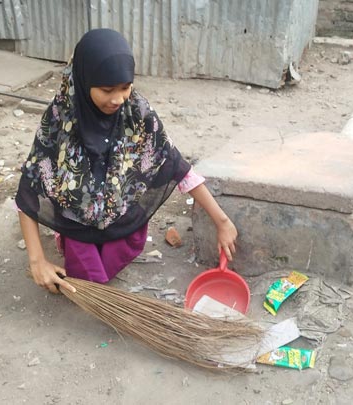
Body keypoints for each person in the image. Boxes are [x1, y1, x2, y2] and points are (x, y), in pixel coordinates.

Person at [16, 29, 237, 294]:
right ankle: (67, 239)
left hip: (121, 214)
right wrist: (37, 261)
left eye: (125, 87)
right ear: (84, 81)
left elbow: (176, 165)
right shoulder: (60, 118)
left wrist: (222, 222)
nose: (118, 99)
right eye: (107, 90)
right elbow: (30, 186)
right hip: (76, 220)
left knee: (112, 262)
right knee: (91, 282)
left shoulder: (136, 112)